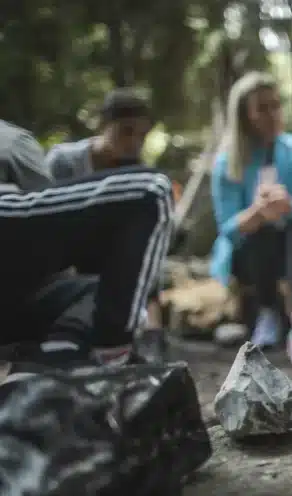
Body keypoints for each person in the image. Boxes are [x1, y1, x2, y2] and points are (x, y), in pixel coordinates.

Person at [0, 119, 173, 370]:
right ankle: (111, 355)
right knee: (152, 191)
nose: (134, 143)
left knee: (95, 289)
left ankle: (55, 360)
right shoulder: (20, 143)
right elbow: (47, 234)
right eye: (126, 132)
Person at [210, 71, 292, 369]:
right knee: (260, 228)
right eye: (262, 108)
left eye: (276, 105)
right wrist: (257, 213)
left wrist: (285, 206)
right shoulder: (226, 163)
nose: (273, 114)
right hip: (246, 255)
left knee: (291, 227)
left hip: (290, 243)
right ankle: (267, 313)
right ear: (245, 115)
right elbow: (228, 231)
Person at [45, 89, 168, 361]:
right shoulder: (63, 163)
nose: (134, 142)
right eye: (126, 132)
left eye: (142, 136)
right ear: (104, 126)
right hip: (66, 257)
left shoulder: (137, 172)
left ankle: (152, 333)